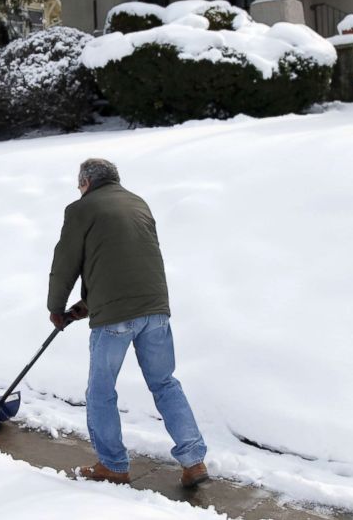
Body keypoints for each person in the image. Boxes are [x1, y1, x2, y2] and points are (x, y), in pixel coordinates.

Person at [48, 158, 209, 488]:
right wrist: (85, 306)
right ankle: (194, 461)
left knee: (101, 392)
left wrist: (56, 307)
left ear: (87, 183)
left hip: (115, 319)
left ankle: (113, 465)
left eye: (79, 186)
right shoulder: (139, 203)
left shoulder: (80, 209)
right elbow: (124, 262)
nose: (79, 191)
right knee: (165, 384)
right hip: (155, 311)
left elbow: (65, 263)